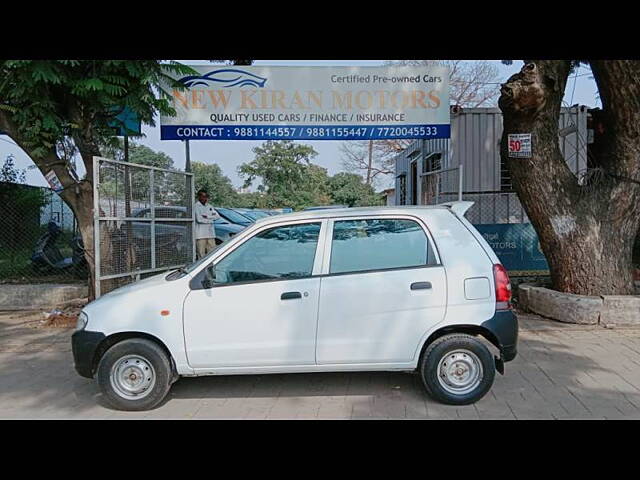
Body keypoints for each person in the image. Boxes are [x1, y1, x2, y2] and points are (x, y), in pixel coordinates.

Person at [194, 189, 220, 259]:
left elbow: (217, 216)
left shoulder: (210, 206)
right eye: (202, 196)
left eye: (206, 196)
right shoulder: (196, 206)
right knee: (201, 254)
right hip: (200, 234)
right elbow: (199, 219)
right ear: (199, 197)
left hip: (210, 234)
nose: (204, 198)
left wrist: (208, 217)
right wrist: (211, 220)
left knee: (212, 253)